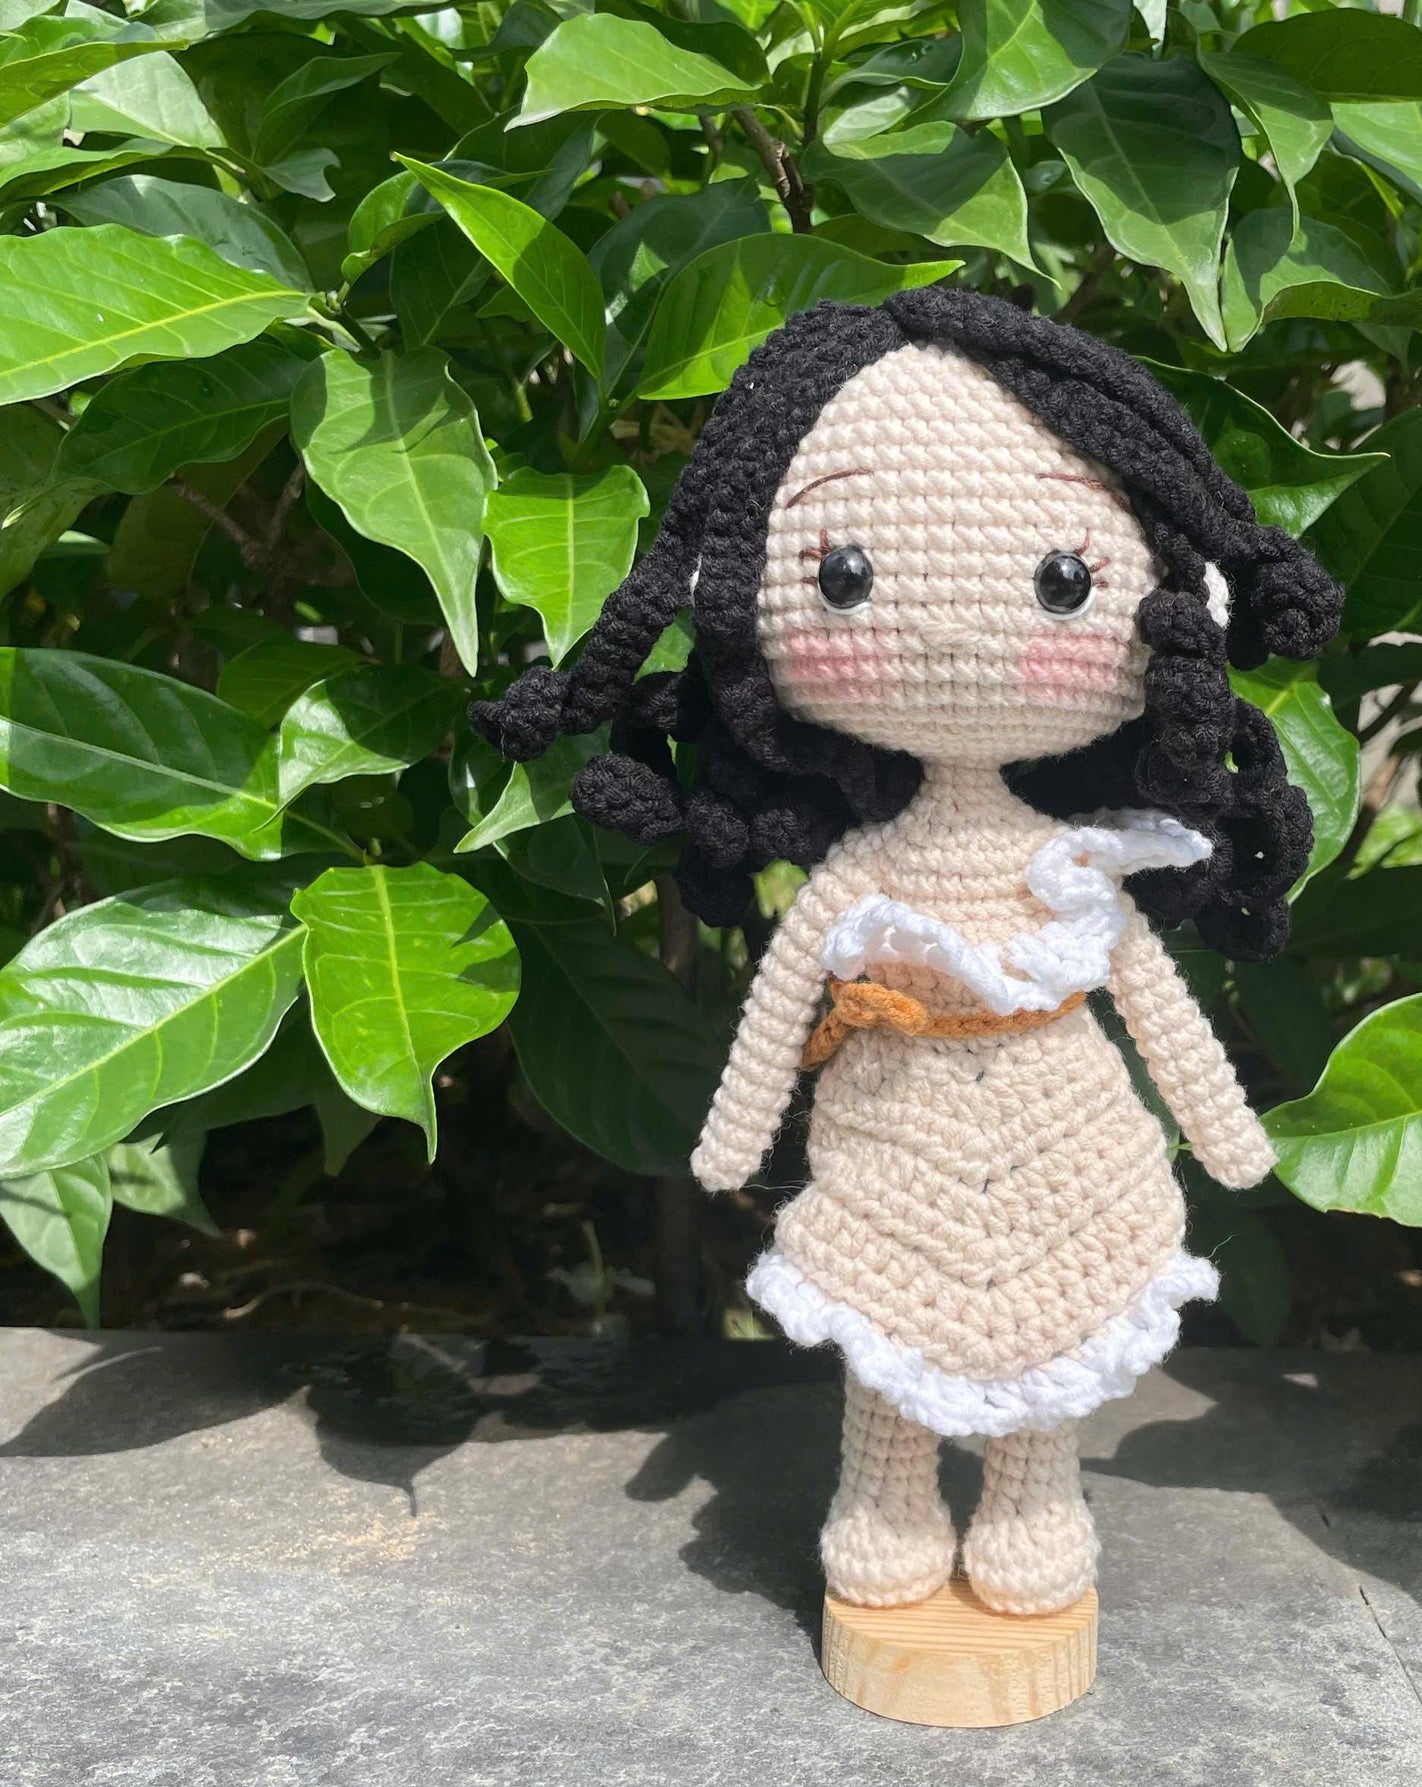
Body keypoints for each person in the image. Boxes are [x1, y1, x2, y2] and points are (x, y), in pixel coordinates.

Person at [474, 288, 1341, 1615]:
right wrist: (735, 1132)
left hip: (1061, 1138)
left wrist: (1221, 1129)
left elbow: (1150, 994)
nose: (949, 634)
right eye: (844, 578)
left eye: (1061, 582)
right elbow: (782, 1001)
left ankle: (1033, 1500)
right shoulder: (873, 872)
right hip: (891, 1133)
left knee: (1055, 1323)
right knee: (888, 1324)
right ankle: (884, 1501)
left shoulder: (1072, 868)